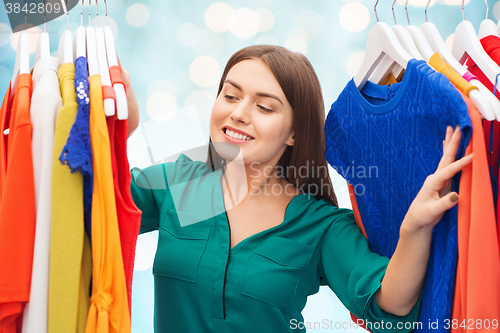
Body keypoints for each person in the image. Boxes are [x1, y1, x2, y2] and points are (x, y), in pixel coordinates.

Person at [122, 45, 472, 332]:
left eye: (263, 106)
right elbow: (95, 210)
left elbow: (389, 305)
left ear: (294, 133)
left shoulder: (318, 224)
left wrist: (415, 227)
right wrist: (122, 131)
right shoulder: (182, 183)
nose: (239, 113)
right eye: (230, 96)